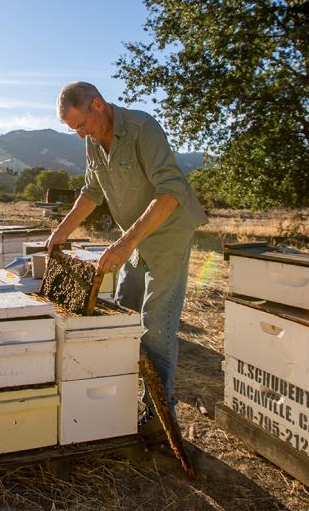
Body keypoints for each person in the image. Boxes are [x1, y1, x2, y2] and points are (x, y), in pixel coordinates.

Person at [46, 82, 208, 423]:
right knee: (123, 310)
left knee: (156, 323)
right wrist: (60, 232)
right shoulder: (92, 142)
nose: (79, 134)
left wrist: (124, 243)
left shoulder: (142, 128)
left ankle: (159, 416)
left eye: (80, 125)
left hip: (168, 233)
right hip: (134, 236)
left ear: (98, 105)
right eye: (73, 129)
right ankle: (121, 397)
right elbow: (91, 192)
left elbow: (171, 192)